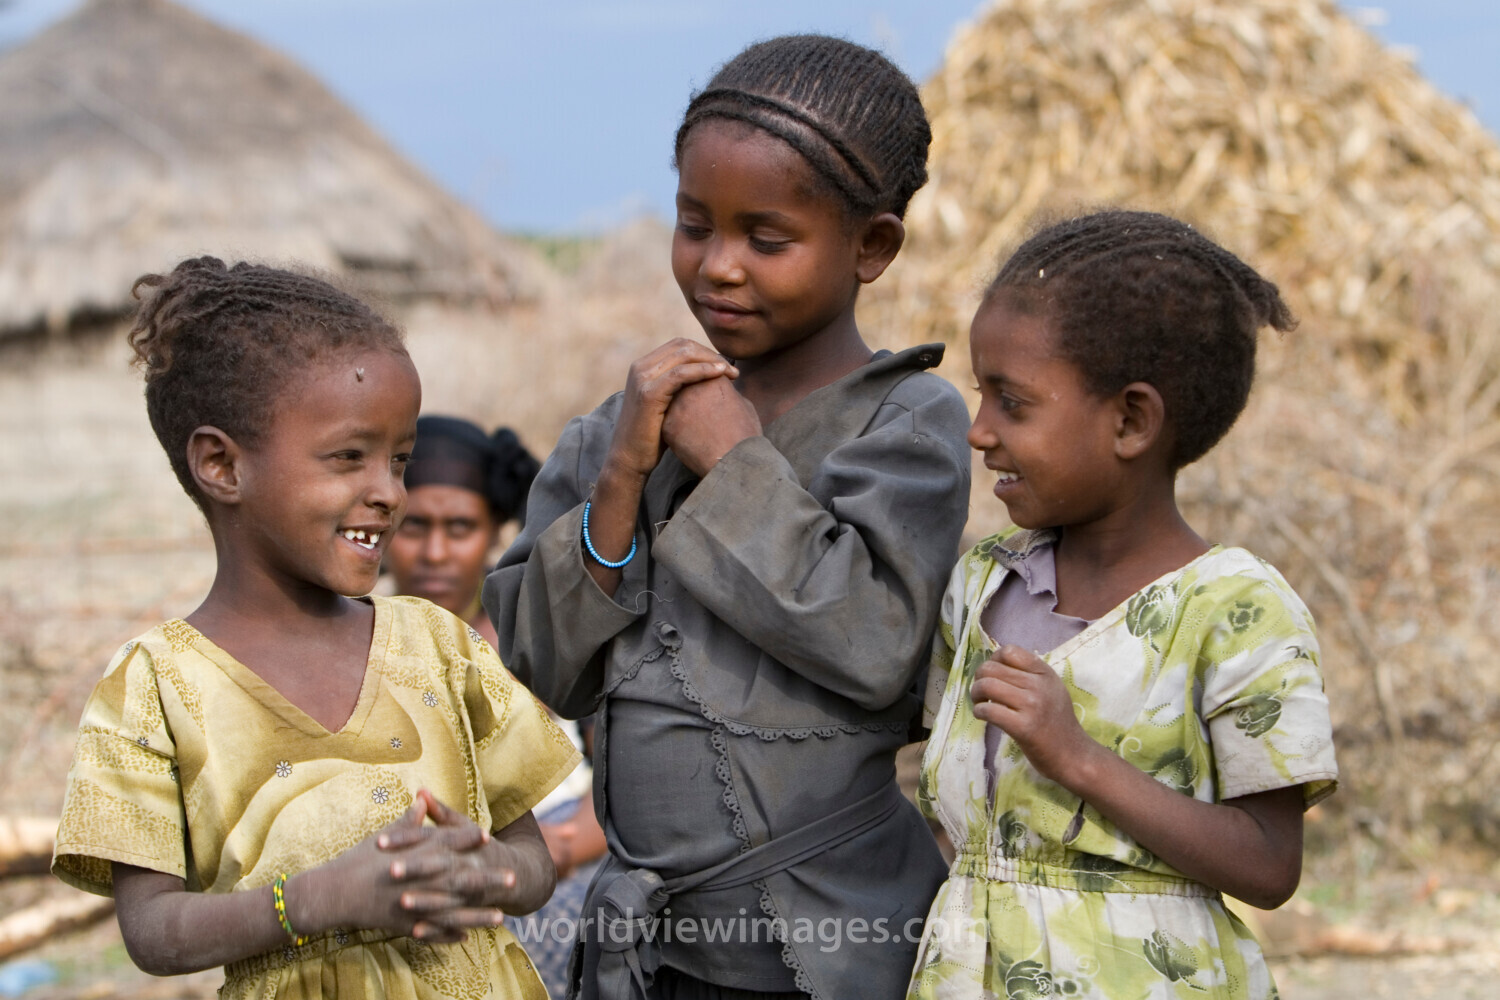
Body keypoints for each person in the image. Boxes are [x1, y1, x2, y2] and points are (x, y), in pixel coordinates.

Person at [485, 34, 972, 1000]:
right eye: (694, 224)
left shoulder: (903, 425)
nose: (718, 267)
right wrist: (624, 474)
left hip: (833, 943)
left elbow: (876, 646)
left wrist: (731, 459)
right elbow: (539, 665)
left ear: (871, 246)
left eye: (767, 238)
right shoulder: (614, 433)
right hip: (644, 952)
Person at [51, 259, 581, 1000]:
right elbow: (153, 933)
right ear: (220, 465)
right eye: (349, 458)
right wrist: (318, 901)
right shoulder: (157, 687)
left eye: (399, 460)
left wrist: (489, 869)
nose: (388, 493)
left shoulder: (437, 645)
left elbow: (533, 861)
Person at [907, 211, 1339, 1000]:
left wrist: (1077, 758)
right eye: (981, 395)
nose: (978, 432)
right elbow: (952, 824)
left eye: (1013, 403)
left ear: (1132, 420)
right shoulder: (980, 586)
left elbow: (1270, 865)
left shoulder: (1237, 611)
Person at [386, 414, 608, 997]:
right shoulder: (354, 642)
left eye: (459, 527)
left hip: (560, 861)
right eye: (414, 526)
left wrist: (552, 853)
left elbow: (621, 775)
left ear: (493, 531)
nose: (435, 551)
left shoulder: (535, 637)